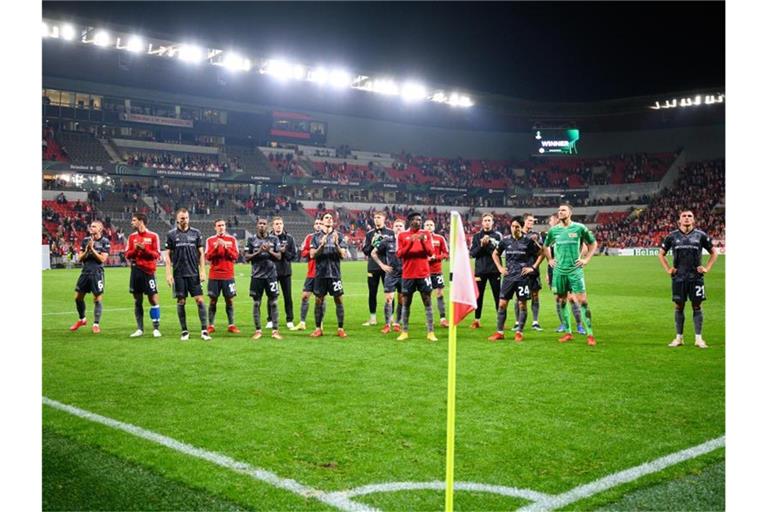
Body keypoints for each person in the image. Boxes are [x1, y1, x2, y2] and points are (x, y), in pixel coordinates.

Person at [658, 210, 719, 348]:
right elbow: (661, 254)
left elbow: (714, 252)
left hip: (696, 278)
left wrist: (707, 268)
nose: (687, 218)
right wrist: (668, 269)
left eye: (689, 216)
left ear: (693, 220)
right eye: (684, 216)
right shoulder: (672, 236)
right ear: (679, 220)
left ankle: (698, 339)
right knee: (679, 306)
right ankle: (679, 338)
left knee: (697, 306)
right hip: (678, 278)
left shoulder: (701, 235)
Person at [540, 204, 598, 346]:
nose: (560, 212)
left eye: (563, 210)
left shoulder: (579, 228)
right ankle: (568, 332)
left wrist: (586, 259)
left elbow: (593, 244)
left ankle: (590, 334)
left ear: (570, 213)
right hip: (559, 271)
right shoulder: (553, 231)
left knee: (583, 301)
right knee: (562, 301)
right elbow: (545, 246)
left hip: (575, 271)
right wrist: (550, 260)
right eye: (559, 210)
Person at [488, 217, 541, 342]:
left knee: (522, 305)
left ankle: (519, 332)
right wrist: (500, 268)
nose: (514, 229)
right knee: (502, 304)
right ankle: (500, 332)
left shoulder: (528, 241)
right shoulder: (505, 241)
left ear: (521, 227)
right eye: (512, 226)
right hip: (508, 277)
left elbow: (542, 253)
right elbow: (495, 254)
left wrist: (532, 267)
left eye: (517, 226)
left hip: (523, 277)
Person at [164, 208, 211, 341]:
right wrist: (168, 274)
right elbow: (167, 255)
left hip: (194, 273)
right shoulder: (171, 234)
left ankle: (204, 331)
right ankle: (184, 331)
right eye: (182, 218)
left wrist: (202, 271)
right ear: (177, 219)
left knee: (200, 300)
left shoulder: (196, 233)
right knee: (181, 301)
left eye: (187, 218)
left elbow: (201, 253)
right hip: (178, 274)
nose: (185, 220)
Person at [396, 211, 438, 342]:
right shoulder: (402, 235)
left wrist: (423, 241)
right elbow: (399, 254)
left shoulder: (426, 234)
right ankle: (404, 331)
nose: (418, 222)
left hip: (423, 273)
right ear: (409, 221)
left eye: (420, 220)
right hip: (408, 274)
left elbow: (431, 252)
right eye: (415, 220)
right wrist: (411, 242)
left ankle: (430, 332)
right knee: (406, 303)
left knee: (427, 301)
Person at [309, 212, 349, 338]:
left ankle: (340, 328)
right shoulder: (315, 237)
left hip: (335, 274)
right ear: (322, 221)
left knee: (339, 299)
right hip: (320, 274)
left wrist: (336, 244)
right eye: (326, 217)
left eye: (331, 218)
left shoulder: (340, 236)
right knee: (318, 301)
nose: (329, 219)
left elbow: (343, 255)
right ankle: (318, 329)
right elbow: (312, 255)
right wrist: (321, 245)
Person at [544, 213, 585, 334]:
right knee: (558, 298)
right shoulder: (551, 234)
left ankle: (579, 325)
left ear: (556, 219)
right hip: (555, 270)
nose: (549, 222)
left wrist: (580, 258)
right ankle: (564, 324)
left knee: (572, 298)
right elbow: (547, 253)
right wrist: (548, 271)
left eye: (550, 220)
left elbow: (585, 246)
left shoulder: (571, 231)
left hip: (570, 268)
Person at [244, 218, 283, 340]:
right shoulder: (251, 240)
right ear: (257, 225)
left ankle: (275, 331)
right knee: (256, 303)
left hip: (271, 276)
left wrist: (269, 251)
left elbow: (279, 256)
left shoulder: (274, 239)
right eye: (260, 223)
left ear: (268, 226)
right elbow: (246, 257)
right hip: (257, 277)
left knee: (274, 303)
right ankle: (258, 330)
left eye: (264, 224)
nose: (262, 225)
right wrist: (259, 252)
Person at [69, 220, 110, 334]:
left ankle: (96, 324)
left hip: (97, 273)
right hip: (85, 272)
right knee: (78, 297)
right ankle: (82, 319)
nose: (91, 228)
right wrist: (87, 250)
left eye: (94, 226)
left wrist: (92, 250)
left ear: (100, 229)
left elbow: (102, 259)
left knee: (97, 298)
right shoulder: (86, 240)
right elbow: (79, 258)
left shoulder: (105, 241)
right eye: (91, 226)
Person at [125, 213, 162, 338]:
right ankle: (140, 329)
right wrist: (136, 250)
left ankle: (156, 328)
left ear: (141, 221)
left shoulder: (153, 236)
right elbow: (127, 255)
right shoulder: (131, 237)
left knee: (153, 299)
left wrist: (144, 249)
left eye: (134, 220)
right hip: (136, 271)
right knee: (137, 300)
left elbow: (157, 254)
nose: (132, 222)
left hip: (149, 271)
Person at [205, 219, 240, 334]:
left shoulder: (232, 240)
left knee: (229, 300)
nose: (221, 227)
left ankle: (231, 325)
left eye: (223, 225)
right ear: (215, 227)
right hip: (214, 275)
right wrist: (216, 248)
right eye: (219, 225)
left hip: (228, 275)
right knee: (213, 300)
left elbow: (235, 256)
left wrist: (226, 247)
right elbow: (208, 257)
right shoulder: (210, 240)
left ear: (225, 227)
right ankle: (211, 325)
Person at [370, 218, 405, 334]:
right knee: (389, 299)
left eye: (400, 226)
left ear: (404, 228)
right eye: (396, 226)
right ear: (393, 228)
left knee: (401, 300)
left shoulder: (407, 240)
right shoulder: (387, 240)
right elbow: (373, 253)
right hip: (391, 273)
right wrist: (382, 265)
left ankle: (397, 323)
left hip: (404, 274)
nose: (398, 228)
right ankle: (387, 324)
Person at [469, 213, 503, 329]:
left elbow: (498, 253)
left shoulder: (498, 236)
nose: (487, 222)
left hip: (494, 270)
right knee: (478, 296)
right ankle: (477, 320)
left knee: (497, 295)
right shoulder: (476, 236)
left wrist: (487, 245)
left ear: (492, 222)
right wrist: (482, 245)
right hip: (480, 270)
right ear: (482, 223)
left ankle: (500, 321)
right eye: (485, 220)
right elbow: (473, 253)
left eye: (489, 220)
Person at [361, 211, 395, 326]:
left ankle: (391, 318)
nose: (376, 219)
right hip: (373, 267)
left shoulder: (391, 233)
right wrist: (372, 243)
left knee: (390, 293)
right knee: (372, 292)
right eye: (375, 217)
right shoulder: (369, 234)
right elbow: (366, 251)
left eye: (379, 217)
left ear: (384, 219)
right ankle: (372, 318)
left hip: (388, 267)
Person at [291, 218, 323, 331]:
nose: (318, 225)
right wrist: (310, 253)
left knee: (320, 299)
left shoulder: (328, 237)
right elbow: (303, 252)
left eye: (320, 223)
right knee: (305, 297)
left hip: (323, 273)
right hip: (311, 273)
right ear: (314, 226)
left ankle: (320, 323)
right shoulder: (309, 237)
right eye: (317, 223)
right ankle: (302, 322)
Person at [268, 216, 298, 330]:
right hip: (271, 272)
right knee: (271, 296)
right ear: (273, 225)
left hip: (285, 272)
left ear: (283, 225)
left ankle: (289, 320)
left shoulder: (289, 238)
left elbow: (294, 256)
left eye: (280, 223)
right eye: (276, 223)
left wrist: (285, 252)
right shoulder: (268, 238)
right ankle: (270, 319)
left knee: (287, 297)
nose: (278, 225)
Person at [519, 213, 544, 331]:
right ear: (524, 221)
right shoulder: (518, 234)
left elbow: (542, 252)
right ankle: (517, 322)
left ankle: (535, 322)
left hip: (533, 270)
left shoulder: (536, 235)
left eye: (533, 221)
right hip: (520, 269)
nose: (532, 222)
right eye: (529, 220)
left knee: (535, 295)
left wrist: (536, 242)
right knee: (519, 297)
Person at [424, 219, 450, 328]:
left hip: (437, 271)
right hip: (424, 272)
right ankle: (430, 319)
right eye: (427, 225)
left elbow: (446, 254)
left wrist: (436, 257)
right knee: (427, 295)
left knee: (440, 294)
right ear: (423, 227)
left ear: (434, 227)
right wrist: (426, 258)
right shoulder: (420, 238)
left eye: (431, 225)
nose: (429, 226)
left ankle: (443, 319)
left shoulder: (440, 238)